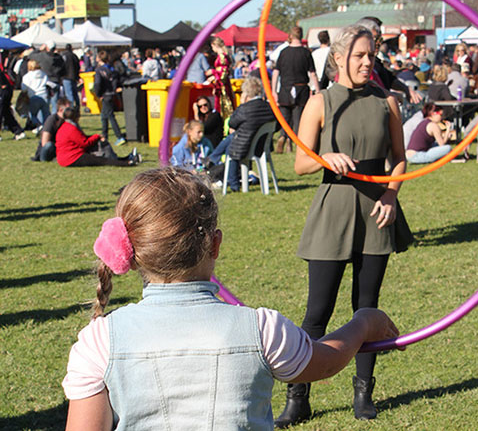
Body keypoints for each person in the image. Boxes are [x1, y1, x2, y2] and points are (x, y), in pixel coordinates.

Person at [62, 167, 400, 430]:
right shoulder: (262, 329)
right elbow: (325, 361)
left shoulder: (99, 341)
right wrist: (363, 322)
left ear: (132, 253)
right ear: (215, 244)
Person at [274, 25, 410, 428]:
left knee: (366, 309)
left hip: (375, 212)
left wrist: (391, 194)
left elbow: (400, 159)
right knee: (317, 311)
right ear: (338, 59)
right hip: (333, 209)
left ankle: (363, 395)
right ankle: (299, 399)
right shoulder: (320, 102)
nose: (368, 62)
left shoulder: (388, 102)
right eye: (360, 56)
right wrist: (324, 157)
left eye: (372, 55)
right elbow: (299, 163)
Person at [272, 26, 320, 153]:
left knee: (285, 117)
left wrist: (273, 91)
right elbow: (312, 73)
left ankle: (283, 135)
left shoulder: (283, 53)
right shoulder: (306, 53)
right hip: (301, 88)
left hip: (285, 88)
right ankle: (294, 142)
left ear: (291, 36)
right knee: (298, 118)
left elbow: (276, 73)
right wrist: (317, 90)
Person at [224, 76, 276, 192]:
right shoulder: (269, 107)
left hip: (245, 148)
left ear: (246, 93)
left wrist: (241, 104)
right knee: (233, 139)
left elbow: (232, 123)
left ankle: (233, 184)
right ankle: (212, 159)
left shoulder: (245, 109)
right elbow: (277, 126)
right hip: (263, 147)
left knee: (230, 146)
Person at [55, 107, 140, 167]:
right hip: (71, 158)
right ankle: (128, 163)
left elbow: (81, 138)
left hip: (66, 157)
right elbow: (84, 143)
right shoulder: (71, 128)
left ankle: (126, 159)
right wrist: (96, 136)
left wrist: (94, 137)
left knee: (100, 158)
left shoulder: (65, 126)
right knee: (100, 160)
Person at [94, 50, 126, 146]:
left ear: (99, 59)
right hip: (112, 94)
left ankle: (119, 136)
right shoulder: (112, 69)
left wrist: (98, 94)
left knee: (110, 116)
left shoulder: (99, 71)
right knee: (104, 116)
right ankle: (105, 136)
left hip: (105, 94)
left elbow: (98, 84)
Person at [31, 97, 70, 162]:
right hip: (47, 151)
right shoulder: (52, 120)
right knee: (49, 145)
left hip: (60, 148)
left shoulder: (68, 120)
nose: (71, 111)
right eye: (68, 109)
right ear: (61, 110)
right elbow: (45, 143)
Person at [206, 36, 235, 120]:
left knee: (224, 107)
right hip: (221, 84)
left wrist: (213, 74)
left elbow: (223, 72)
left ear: (215, 45)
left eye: (212, 47)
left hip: (222, 86)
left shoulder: (222, 56)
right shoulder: (222, 56)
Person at [20, 59, 50, 133]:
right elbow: (48, 83)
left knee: (32, 115)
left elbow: (24, 88)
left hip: (34, 95)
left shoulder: (27, 76)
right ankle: (47, 129)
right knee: (46, 114)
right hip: (44, 94)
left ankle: (39, 125)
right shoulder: (43, 74)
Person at [0, 55, 24, 140]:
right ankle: (18, 131)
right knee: (6, 113)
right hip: (5, 90)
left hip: (4, 90)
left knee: (2, 111)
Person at [61, 43, 81, 110]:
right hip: (74, 77)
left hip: (66, 76)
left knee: (69, 94)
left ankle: (71, 108)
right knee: (75, 93)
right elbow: (78, 67)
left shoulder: (64, 55)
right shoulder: (74, 56)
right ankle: (77, 106)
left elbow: (62, 66)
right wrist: (77, 76)